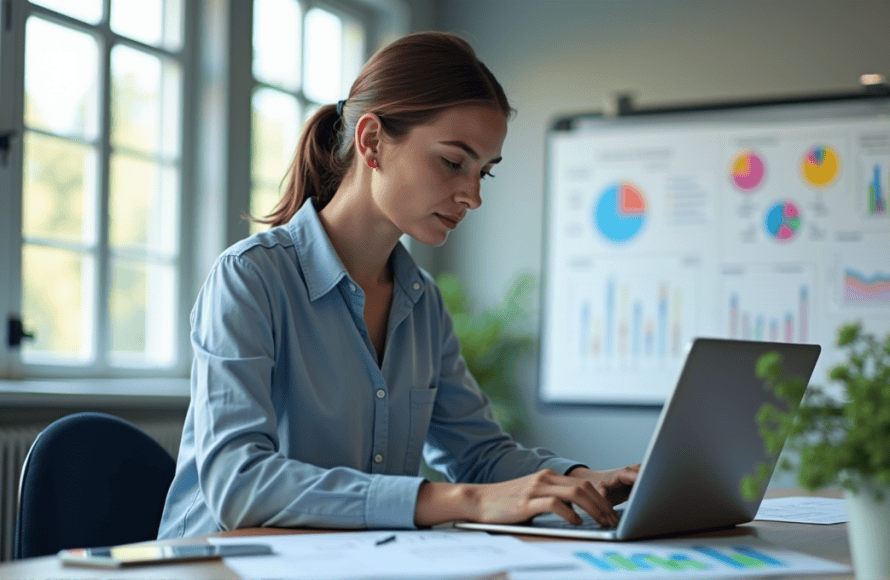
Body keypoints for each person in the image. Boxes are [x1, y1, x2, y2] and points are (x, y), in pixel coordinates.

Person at [158, 31, 638, 539]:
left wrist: (583, 481)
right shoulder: (250, 278)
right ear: (371, 142)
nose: (472, 196)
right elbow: (239, 484)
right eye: (453, 162)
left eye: (484, 173)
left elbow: (477, 454)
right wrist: (465, 501)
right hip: (217, 564)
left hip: (349, 564)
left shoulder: (422, 301)